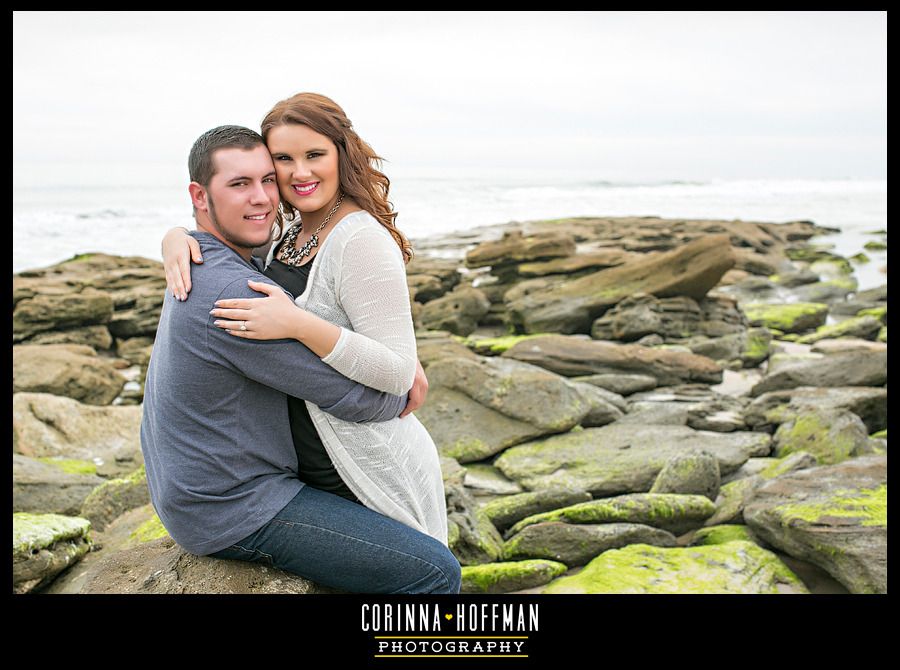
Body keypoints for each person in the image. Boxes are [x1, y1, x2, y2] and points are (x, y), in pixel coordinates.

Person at [142, 125, 460, 594]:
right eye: (239, 184)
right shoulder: (235, 293)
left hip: (197, 492)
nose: (263, 198)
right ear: (200, 195)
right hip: (235, 504)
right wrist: (401, 390)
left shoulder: (212, 258)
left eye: (267, 179)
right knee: (434, 571)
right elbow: (354, 399)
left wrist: (175, 235)